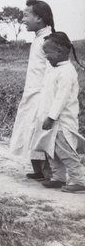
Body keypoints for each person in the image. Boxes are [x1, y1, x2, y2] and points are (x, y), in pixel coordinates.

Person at [29, 32, 85, 193]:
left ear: (59, 51)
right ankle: (58, 177)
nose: (46, 56)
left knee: (65, 151)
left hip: (61, 121)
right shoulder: (53, 69)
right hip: (49, 119)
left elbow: (61, 98)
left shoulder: (67, 72)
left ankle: (79, 180)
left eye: (47, 52)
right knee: (52, 150)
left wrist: (51, 117)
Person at [9, 0, 55, 181]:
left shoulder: (48, 40)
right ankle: (38, 170)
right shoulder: (38, 39)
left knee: (41, 131)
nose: (23, 19)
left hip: (43, 94)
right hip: (32, 92)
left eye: (26, 15)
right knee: (29, 128)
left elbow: (52, 72)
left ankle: (49, 172)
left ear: (40, 18)